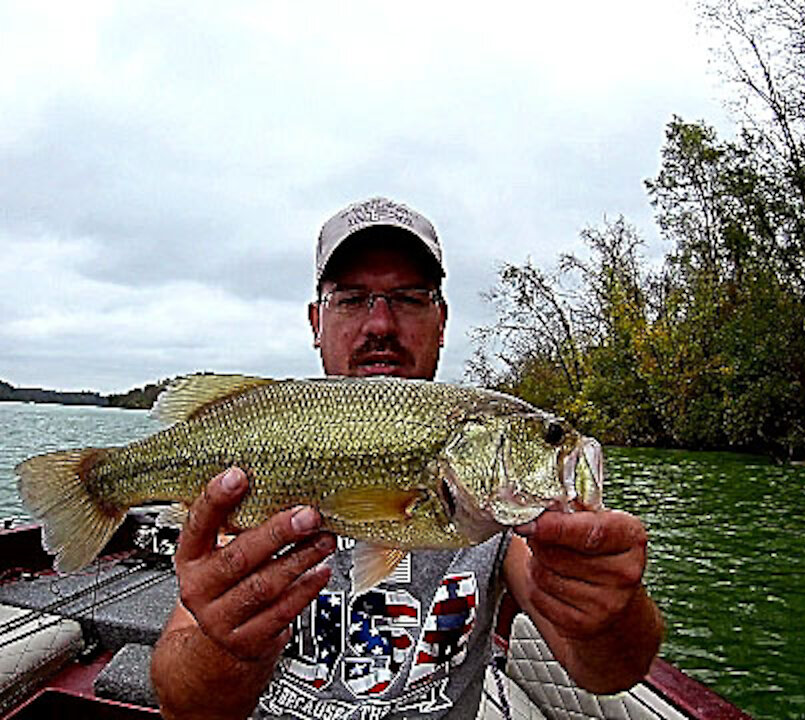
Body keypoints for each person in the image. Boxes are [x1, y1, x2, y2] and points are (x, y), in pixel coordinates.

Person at [150, 197, 663, 720]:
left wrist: (610, 612)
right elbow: (183, 705)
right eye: (351, 299)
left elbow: (608, 672)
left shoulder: (509, 517)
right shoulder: (242, 466)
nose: (380, 325)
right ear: (315, 322)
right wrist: (226, 646)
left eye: (410, 298)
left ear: (441, 321)